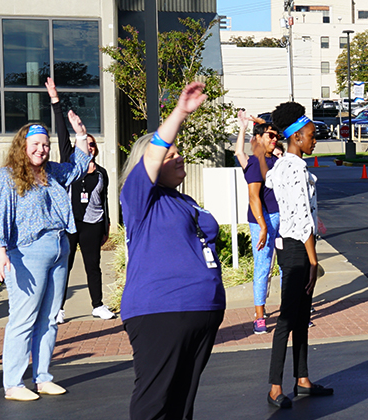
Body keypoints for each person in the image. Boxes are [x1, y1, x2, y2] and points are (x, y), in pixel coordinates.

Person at [119, 82, 225, 418]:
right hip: (160, 311)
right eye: (171, 153)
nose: (178, 156)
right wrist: (180, 112)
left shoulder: (184, 201)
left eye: (179, 151)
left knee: (181, 405)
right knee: (155, 404)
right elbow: (153, 151)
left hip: (200, 310)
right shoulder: (139, 197)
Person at [0, 115, 92, 401]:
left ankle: (43, 377)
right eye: (35, 144)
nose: (41, 150)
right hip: (26, 253)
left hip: (59, 248)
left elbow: (78, 168)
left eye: (45, 145)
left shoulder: (52, 172)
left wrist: (81, 135)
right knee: (24, 319)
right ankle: (13, 384)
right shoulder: (4, 178)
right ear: (23, 146)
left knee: (50, 318)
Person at [263, 101, 333, 409]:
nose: (315, 139)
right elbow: (302, 216)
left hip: (293, 245)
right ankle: (275, 386)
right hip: (297, 250)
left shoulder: (283, 166)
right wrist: (313, 259)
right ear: (296, 138)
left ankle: (302, 379)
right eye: (311, 134)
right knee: (288, 318)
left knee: (302, 316)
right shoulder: (293, 168)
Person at [46, 78, 114, 323]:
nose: (90, 147)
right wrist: (56, 101)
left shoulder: (101, 172)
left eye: (92, 145)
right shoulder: (69, 164)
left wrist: (106, 225)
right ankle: (59, 308)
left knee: (93, 266)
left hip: (93, 224)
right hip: (70, 223)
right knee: (65, 265)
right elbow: (63, 133)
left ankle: (98, 305)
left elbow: (104, 200)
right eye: (87, 144)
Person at [235, 110, 281, 334]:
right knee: (263, 266)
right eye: (270, 136)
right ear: (258, 138)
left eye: (276, 136)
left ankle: (292, 309)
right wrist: (263, 226)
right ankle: (260, 315)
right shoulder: (255, 163)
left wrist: (264, 124)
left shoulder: (277, 160)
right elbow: (254, 198)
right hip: (263, 219)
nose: (274, 139)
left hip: (282, 218)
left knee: (286, 266)